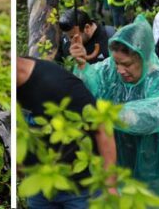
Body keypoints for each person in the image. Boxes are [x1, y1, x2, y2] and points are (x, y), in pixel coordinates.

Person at [73, 15, 159, 208]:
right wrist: (82, 65)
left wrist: (110, 113)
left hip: (154, 169)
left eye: (127, 64)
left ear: (143, 56)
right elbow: (90, 84)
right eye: (117, 63)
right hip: (118, 162)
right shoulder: (111, 69)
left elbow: (153, 113)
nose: (120, 70)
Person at [17, 56, 118, 207]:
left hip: (79, 190)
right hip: (40, 185)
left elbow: (101, 127)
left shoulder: (57, 84)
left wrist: (110, 185)